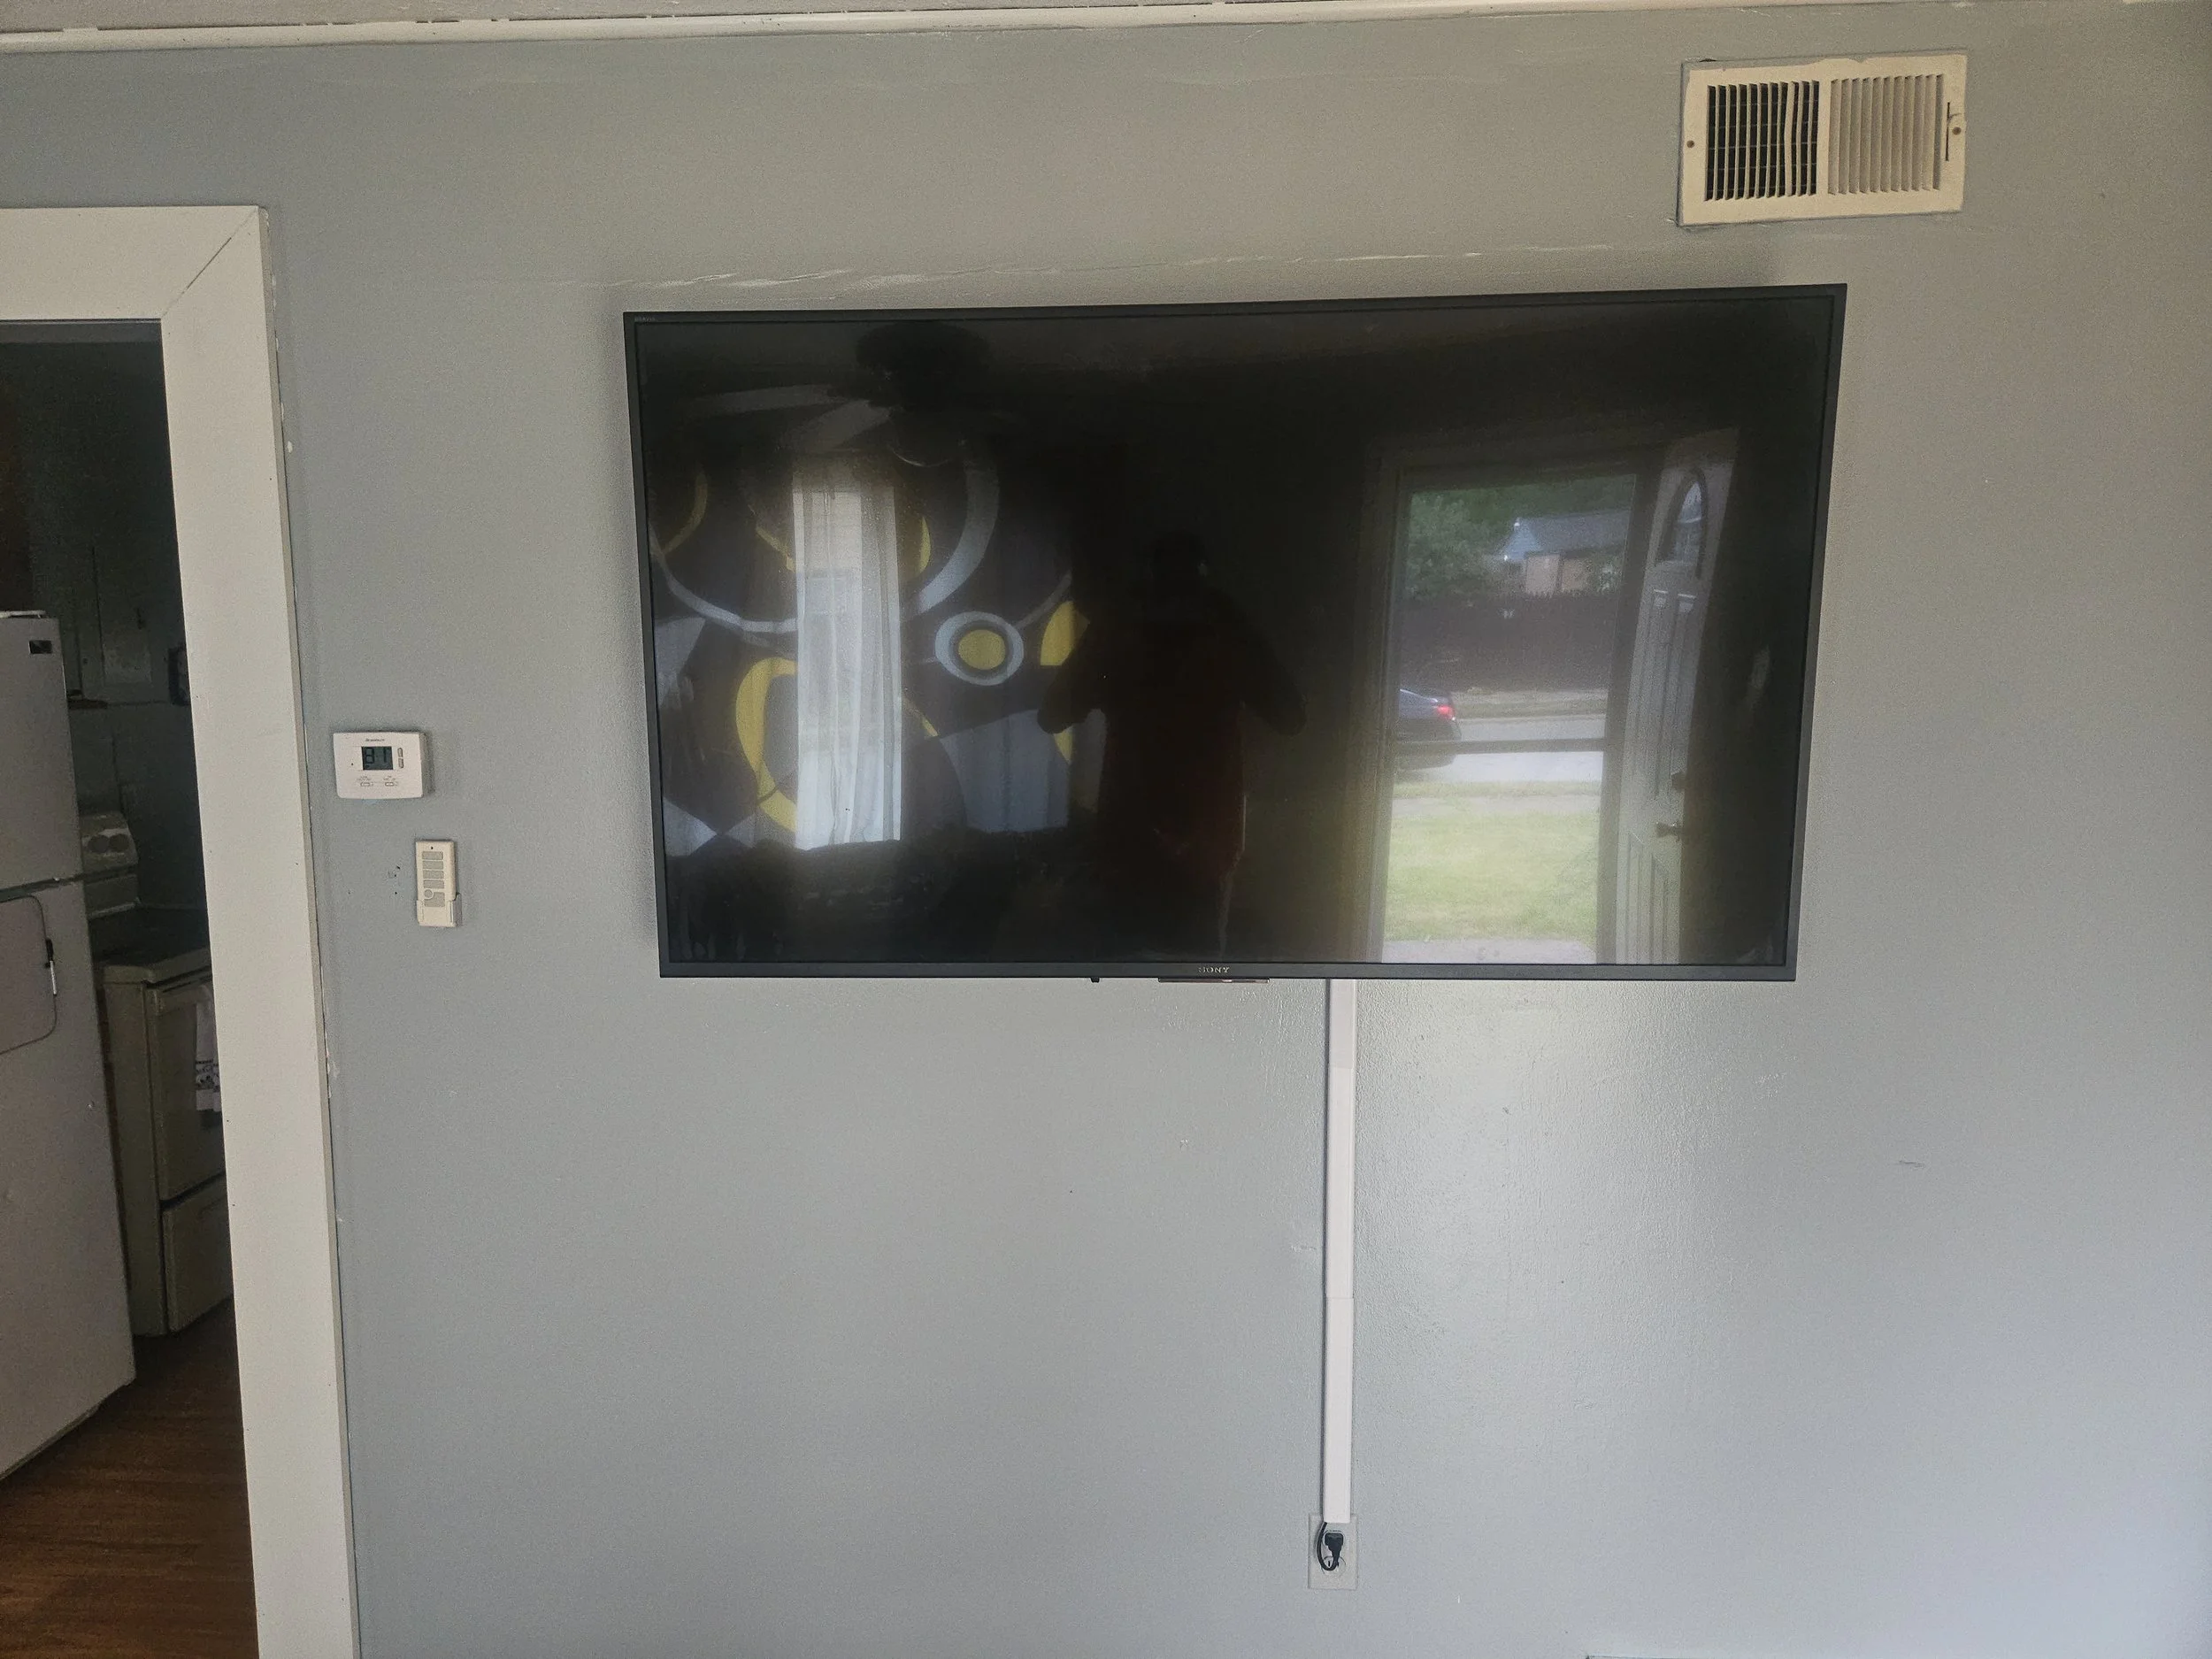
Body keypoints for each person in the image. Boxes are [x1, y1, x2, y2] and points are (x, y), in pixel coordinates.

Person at [1039, 531, 1305, 955]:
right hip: (1200, 841)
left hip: (1133, 839)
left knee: (1130, 979)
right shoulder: (1222, 630)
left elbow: (1052, 714)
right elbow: (1290, 716)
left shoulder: (1119, 631)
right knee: (1195, 979)